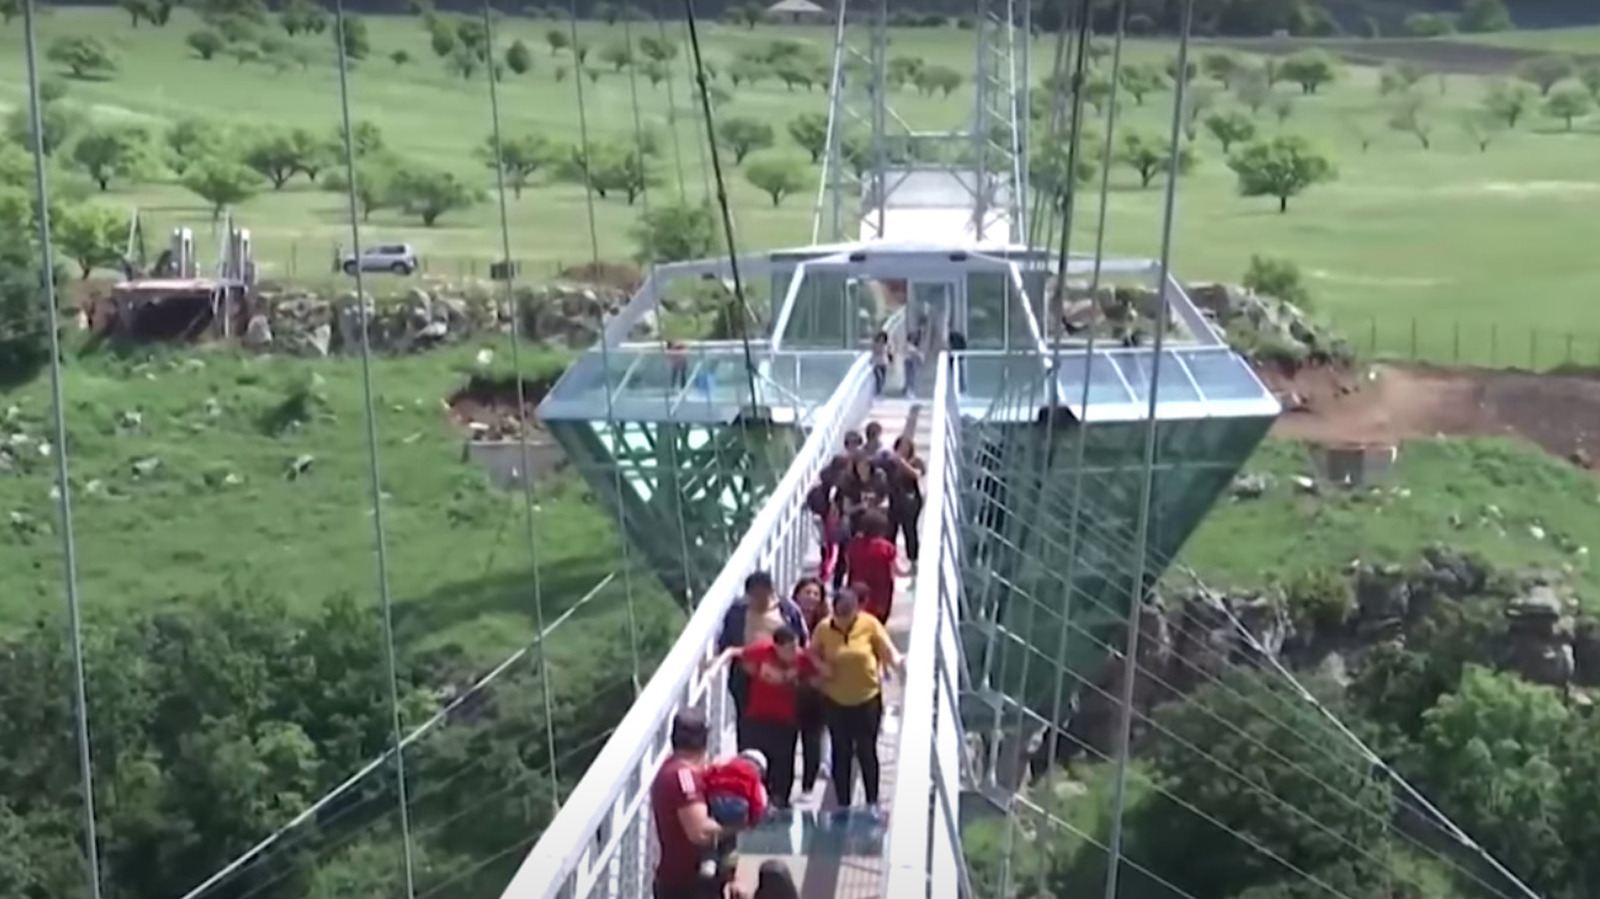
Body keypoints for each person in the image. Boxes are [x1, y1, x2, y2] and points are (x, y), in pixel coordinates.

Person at [810, 587, 903, 818]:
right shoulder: (823, 628)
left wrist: (901, 668)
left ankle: (872, 802)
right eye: (838, 613)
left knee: (866, 750)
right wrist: (821, 668)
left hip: (867, 699)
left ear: (855, 610)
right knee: (841, 752)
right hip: (836, 700)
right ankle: (842, 805)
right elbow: (811, 653)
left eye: (846, 613)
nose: (841, 618)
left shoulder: (869, 624)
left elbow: (888, 652)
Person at [704, 626, 818, 809]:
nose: (793, 652)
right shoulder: (762, 650)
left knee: (782, 769)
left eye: (795, 647)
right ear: (777, 646)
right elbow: (733, 651)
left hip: (785, 721)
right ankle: (751, 802)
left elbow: (816, 678)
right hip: (757, 717)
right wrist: (715, 667)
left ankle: (778, 806)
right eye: (788, 649)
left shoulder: (802, 659)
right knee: (752, 765)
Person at [717, 571, 808, 748]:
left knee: (782, 727)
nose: (758, 600)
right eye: (754, 595)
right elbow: (726, 642)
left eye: (762, 595)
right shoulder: (737, 611)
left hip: (782, 677)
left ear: (770, 591)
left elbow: (802, 640)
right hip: (746, 677)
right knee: (747, 728)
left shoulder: (787, 610)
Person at [651, 710, 729, 899]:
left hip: (677, 879)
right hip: (686, 884)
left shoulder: (670, 767)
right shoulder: (684, 777)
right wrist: (738, 824)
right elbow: (699, 832)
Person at [698, 749, 770, 880]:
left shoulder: (723, 766)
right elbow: (757, 801)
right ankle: (728, 865)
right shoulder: (752, 776)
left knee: (710, 833)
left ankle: (708, 861)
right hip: (738, 804)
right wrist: (753, 820)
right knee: (731, 839)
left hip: (716, 799)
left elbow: (706, 777)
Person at [789, 578, 830, 795]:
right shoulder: (785, 620)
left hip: (814, 691)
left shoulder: (825, 626)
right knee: (787, 740)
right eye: (807, 592)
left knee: (812, 739)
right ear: (796, 594)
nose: (811, 598)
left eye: (816, 594)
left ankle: (808, 786)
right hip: (787, 689)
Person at [845, 509, 904, 622]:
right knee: (878, 621)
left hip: (858, 587)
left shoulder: (853, 546)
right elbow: (896, 569)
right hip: (881, 590)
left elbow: (849, 566)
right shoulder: (887, 548)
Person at [886, 436, 927, 564]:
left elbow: (916, 474)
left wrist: (902, 463)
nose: (903, 449)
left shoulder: (916, 461)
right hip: (894, 500)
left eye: (905, 447)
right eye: (900, 446)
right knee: (890, 530)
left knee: (909, 530)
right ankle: (889, 558)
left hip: (911, 501)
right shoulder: (891, 463)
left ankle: (913, 559)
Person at [870, 330, 891, 395]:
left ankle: (880, 391)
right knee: (878, 377)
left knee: (883, 378)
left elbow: (889, 353)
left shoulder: (886, 344)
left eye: (883, 338)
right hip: (876, 363)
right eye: (880, 338)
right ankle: (878, 391)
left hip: (884, 362)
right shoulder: (875, 344)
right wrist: (871, 360)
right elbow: (873, 352)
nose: (881, 339)